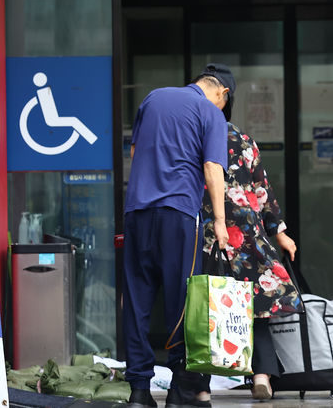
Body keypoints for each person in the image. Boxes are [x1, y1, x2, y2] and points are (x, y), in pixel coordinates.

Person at [123, 64, 237, 408]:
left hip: (137, 212)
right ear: (223, 93)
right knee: (181, 303)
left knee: (137, 302)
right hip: (179, 215)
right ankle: (179, 391)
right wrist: (219, 221)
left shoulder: (153, 98)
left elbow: (134, 152)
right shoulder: (211, 113)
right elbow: (212, 168)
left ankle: (140, 392)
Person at [200, 111, 302, 400]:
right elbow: (261, 189)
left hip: (209, 231)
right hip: (247, 231)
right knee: (256, 308)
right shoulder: (243, 138)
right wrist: (279, 231)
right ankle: (261, 376)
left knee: (205, 307)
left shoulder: (193, 135)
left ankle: (201, 387)